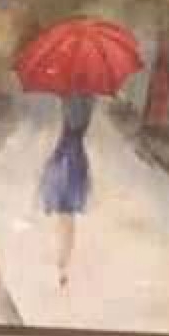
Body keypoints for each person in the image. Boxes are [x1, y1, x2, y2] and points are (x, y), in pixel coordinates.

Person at [39, 92, 95, 288]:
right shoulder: (89, 100)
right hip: (76, 160)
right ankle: (63, 263)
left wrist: (64, 100)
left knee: (64, 214)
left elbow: (70, 125)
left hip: (65, 159)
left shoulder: (73, 101)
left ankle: (62, 263)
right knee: (67, 216)